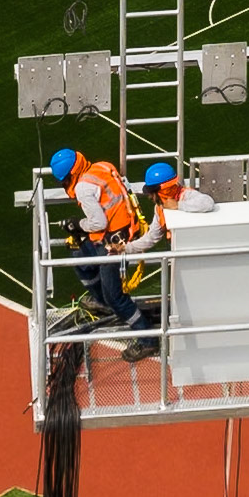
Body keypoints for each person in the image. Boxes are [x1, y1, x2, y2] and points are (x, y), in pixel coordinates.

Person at [49, 148, 158, 361]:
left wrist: (76, 224)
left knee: (115, 296)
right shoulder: (101, 166)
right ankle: (101, 302)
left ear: (69, 176)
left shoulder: (82, 188)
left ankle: (148, 339)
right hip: (119, 232)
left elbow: (98, 223)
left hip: (112, 243)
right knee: (80, 256)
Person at [120, 162, 215, 255]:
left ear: (164, 190)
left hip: (199, 251)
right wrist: (125, 248)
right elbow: (152, 237)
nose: (149, 197)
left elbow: (208, 203)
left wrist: (178, 205)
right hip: (179, 252)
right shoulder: (159, 208)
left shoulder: (186, 196)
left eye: (152, 193)